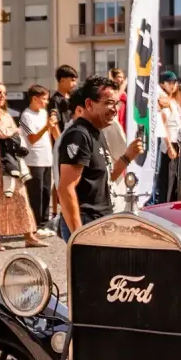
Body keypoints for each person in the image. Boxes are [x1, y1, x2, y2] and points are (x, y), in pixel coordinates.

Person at [56, 75, 143, 240]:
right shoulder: (79, 135)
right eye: (109, 103)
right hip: (88, 223)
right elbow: (65, 188)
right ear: (89, 104)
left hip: (102, 221)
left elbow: (105, 179)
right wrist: (79, 236)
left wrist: (127, 156)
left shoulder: (97, 132)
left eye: (117, 104)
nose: (115, 109)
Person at [0, 82, 46, 251]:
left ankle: (29, 236)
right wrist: (11, 130)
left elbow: (14, 132)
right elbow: (0, 132)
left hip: (10, 159)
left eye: (4, 93)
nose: (2, 96)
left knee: (20, 195)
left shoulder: (5, 114)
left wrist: (11, 130)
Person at [19, 84, 56, 233]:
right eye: (44, 99)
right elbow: (32, 138)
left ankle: (44, 223)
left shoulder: (43, 113)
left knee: (46, 191)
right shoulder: (25, 116)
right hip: (33, 160)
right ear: (35, 98)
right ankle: (34, 225)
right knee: (36, 194)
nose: (47, 102)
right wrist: (47, 126)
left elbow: (48, 134)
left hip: (47, 157)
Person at [156, 71, 181, 203]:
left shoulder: (172, 101)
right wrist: (169, 146)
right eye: (169, 82)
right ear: (162, 84)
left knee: (174, 179)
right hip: (169, 144)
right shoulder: (164, 101)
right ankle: (164, 204)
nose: (173, 85)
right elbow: (162, 125)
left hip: (176, 142)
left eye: (174, 82)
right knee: (167, 181)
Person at [48, 65, 78, 133]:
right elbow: (55, 125)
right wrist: (60, 139)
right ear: (62, 80)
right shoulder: (55, 100)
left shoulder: (73, 97)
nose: (75, 84)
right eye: (72, 80)